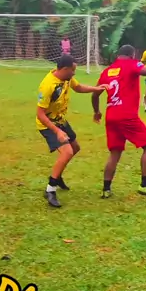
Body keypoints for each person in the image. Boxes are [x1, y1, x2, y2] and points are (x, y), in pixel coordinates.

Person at [92, 45, 146, 199]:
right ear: (132, 55)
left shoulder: (107, 71)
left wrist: (96, 111)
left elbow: (95, 94)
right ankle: (144, 185)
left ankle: (106, 189)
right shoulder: (132, 64)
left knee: (115, 153)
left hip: (111, 116)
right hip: (126, 116)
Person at [37, 54, 108, 208]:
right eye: (73, 70)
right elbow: (40, 114)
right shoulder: (48, 85)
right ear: (64, 69)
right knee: (67, 152)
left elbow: (78, 87)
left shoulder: (66, 78)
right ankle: (50, 189)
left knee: (75, 148)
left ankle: (57, 176)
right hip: (48, 124)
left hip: (60, 120)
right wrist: (57, 131)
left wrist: (97, 88)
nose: (74, 73)